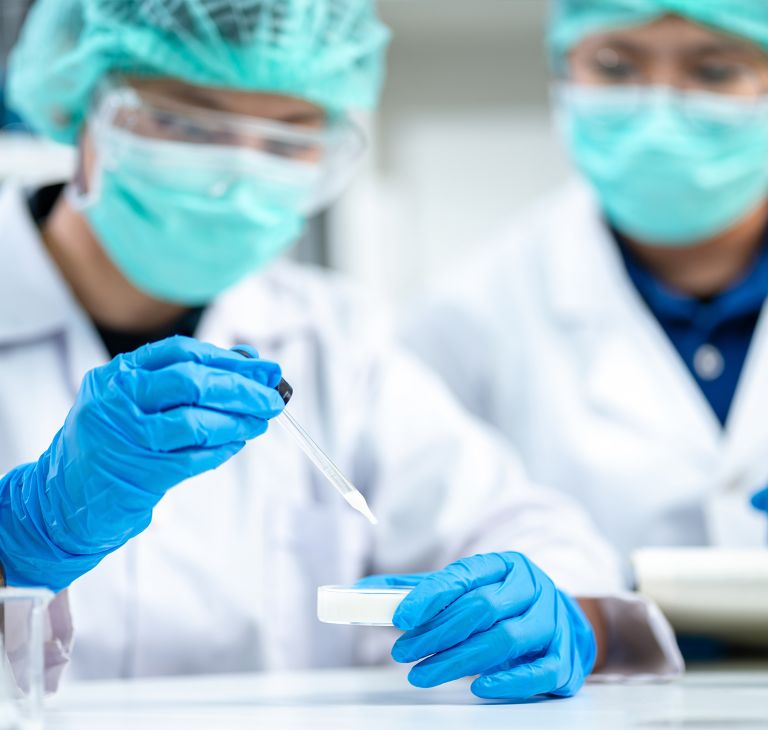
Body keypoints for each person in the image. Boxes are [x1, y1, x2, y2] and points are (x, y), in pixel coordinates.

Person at [0, 0, 681, 702]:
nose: (236, 178)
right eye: (185, 123)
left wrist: (555, 605)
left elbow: (527, 527)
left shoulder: (337, 338)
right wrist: (20, 539)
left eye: (288, 139)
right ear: (78, 106)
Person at [404, 0, 768, 584]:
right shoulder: (467, 313)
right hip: (595, 676)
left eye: (715, 70)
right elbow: (425, 540)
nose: (659, 106)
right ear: (562, 72)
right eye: (616, 67)